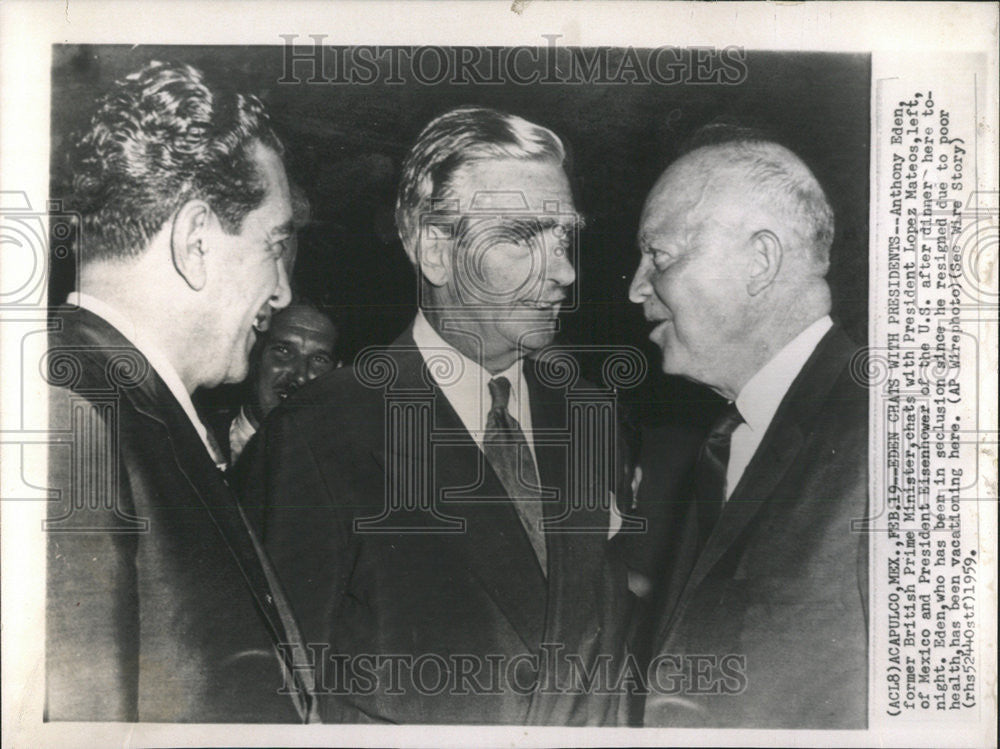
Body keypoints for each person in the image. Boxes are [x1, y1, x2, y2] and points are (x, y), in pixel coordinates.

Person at [239, 105, 634, 725]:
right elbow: (272, 701)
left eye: (564, 237)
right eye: (525, 236)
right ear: (435, 248)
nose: (564, 272)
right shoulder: (318, 435)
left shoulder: (590, 417)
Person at [44, 60, 315, 723]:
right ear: (196, 239)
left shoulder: (131, 411)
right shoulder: (75, 415)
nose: (282, 291)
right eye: (273, 246)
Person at [629, 130, 868, 728]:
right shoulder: (727, 441)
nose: (635, 289)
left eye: (659, 256)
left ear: (760, 262)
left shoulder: (889, 438)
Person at [225, 302, 339, 465]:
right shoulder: (196, 442)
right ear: (253, 354)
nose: (300, 376)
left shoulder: (339, 465)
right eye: (284, 350)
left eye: (318, 359)